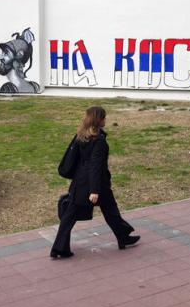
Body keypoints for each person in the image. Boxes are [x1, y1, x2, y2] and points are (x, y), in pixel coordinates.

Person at [50, 106, 140, 258]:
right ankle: (123, 236)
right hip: (96, 184)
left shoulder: (81, 136)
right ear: (99, 120)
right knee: (107, 211)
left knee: (74, 215)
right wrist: (94, 190)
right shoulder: (99, 141)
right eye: (104, 117)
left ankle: (60, 248)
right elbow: (95, 166)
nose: (106, 120)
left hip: (80, 182)